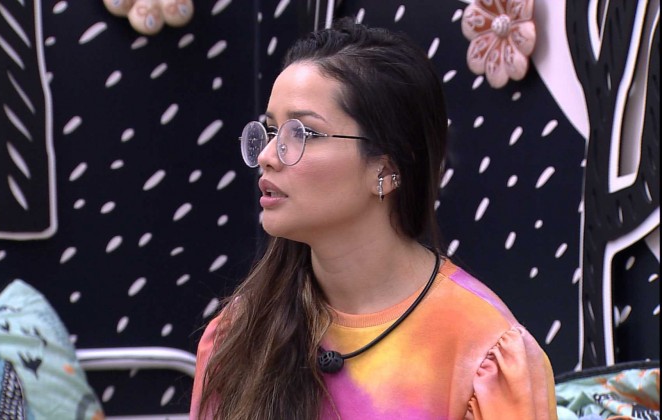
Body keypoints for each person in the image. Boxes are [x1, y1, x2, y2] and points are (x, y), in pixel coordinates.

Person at [190, 17, 557, 420]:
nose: (266, 156)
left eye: (302, 133)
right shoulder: (239, 331)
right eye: (272, 130)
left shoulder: (484, 350)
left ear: (386, 167)